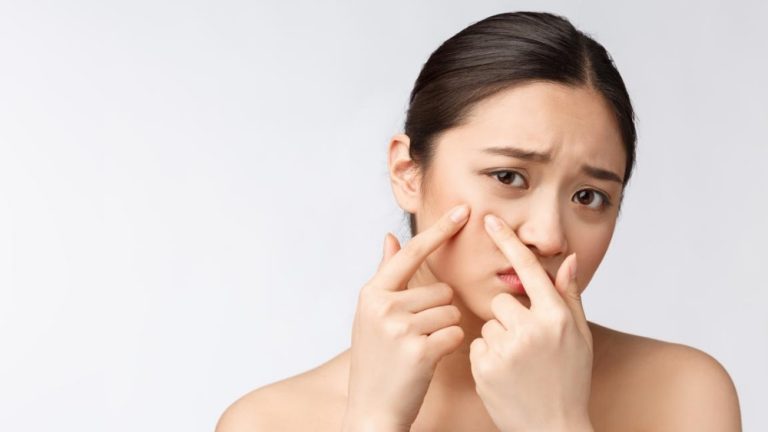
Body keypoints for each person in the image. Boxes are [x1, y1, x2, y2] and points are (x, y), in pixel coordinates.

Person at [216, 11, 741, 431]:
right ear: (407, 172)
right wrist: (373, 421)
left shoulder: (681, 395)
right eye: (508, 177)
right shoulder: (267, 422)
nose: (548, 236)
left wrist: (555, 423)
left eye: (589, 196)